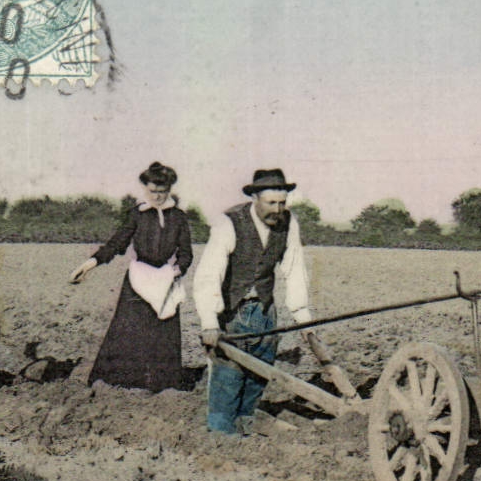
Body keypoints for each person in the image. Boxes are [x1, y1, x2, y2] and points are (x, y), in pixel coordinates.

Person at [192, 168, 315, 434]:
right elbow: (209, 274)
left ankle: (247, 421)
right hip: (234, 312)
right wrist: (210, 322)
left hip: (265, 310)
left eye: (283, 203)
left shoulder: (289, 223)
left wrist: (303, 318)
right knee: (229, 374)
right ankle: (221, 432)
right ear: (255, 198)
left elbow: (294, 269)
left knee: (260, 371)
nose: (278, 210)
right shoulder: (229, 223)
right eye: (271, 203)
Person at [69, 162, 196, 391]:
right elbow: (118, 242)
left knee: (163, 334)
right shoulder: (138, 215)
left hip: (165, 280)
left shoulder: (178, 218)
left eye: (162, 192)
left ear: (169, 190)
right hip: (138, 278)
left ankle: (162, 385)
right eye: (152, 191)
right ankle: (119, 382)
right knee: (128, 331)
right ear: (145, 189)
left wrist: (178, 269)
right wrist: (91, 263)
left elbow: (186, 252)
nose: (157, 196)